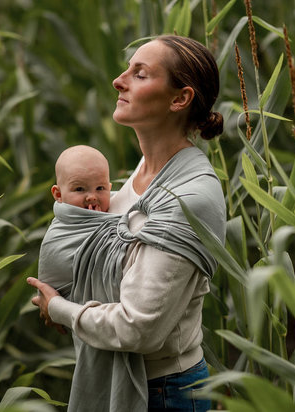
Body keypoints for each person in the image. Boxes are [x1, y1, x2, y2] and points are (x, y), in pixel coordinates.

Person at [27, 35, 226, 412]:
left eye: (140, 73)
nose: (119, 81)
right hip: (138, 383)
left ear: (179, 99)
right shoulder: (145, 174)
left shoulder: (187, 197)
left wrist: (61, 310)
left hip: (164, 393)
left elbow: (140, 328)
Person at [37, 145, 113, 298]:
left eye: (100, 188)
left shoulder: (119, 211)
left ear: (110, 188)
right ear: (58, 194)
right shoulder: (59, 235)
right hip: (74, 311)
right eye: (79, 189)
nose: (92, 196)